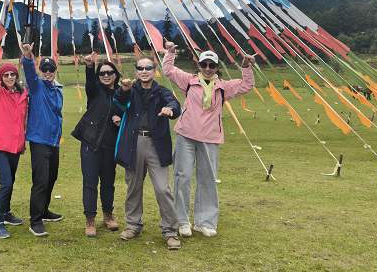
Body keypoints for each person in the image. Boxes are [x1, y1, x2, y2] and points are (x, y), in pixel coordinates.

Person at [162, 41, 255, 238]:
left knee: (207, 180)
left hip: (210, 139)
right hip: (186, 135)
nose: (207, 69)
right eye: (204, 64)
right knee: (182, 177)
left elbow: (247, 85)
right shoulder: (189, 80)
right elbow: (168, 70)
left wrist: (246, 67)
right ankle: (182, 220)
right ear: (199, 65)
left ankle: (205, 222)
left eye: (211, 65)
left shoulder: (224, 87)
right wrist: (170, 52)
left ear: (217, 68)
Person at [113, 56, 182, 250]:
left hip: (156, 144)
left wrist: (170, 109)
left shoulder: (162, 92)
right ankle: (133, 225)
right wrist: (123, 90)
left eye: (148, 68)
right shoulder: (130, 90)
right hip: (133, 143)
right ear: (136, 71)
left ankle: (170, 231)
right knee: (133, 186)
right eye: (140, 68)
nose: (144, 71)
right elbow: (118, 100)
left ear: (154, 70)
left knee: (162, 188)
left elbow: (175, 105)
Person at [71, 52, 121, 237]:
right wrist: (90, 66)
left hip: (110, 145)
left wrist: (120, 117)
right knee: (90, 183)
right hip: (90, 144)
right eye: (102, 73)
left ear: (115, 74)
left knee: (108, 183)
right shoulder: (95, 91)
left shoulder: (120, 93)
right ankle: (90, 219)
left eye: (109, 72)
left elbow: (128, 111)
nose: (106, 75)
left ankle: (108, 216)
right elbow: (90, 83)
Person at [0, 42, 28, 239]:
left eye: (12, 75)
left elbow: (22, 121)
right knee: (6, 183)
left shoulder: (22, 95)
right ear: (2, 79)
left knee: (11, 180)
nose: (9, 77)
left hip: (16, 145)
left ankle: (7, 213)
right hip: (0, 144)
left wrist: (23, 142)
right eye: (6, 75)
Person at [21, 43, 64, 237]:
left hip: (54, 141)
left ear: (55, 71)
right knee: (40, 180)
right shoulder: (36, 86)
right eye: (44, 69)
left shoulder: (58, 89)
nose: (47, 72)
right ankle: (35, 221)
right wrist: (28, 56)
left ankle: (44, 210)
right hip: (39, 140)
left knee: (51, 177)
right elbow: (29, 72)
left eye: (51, 69)